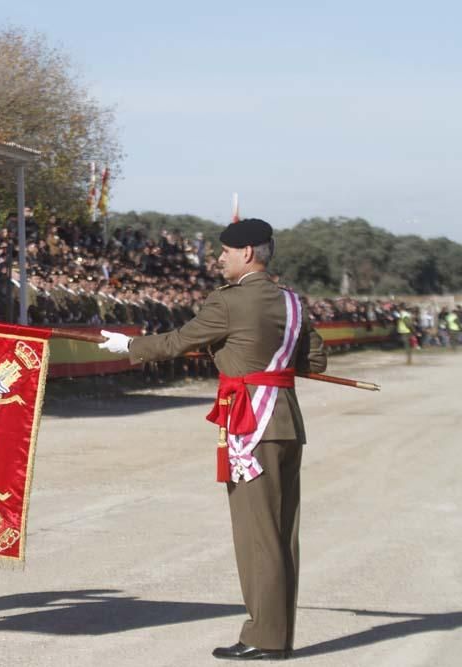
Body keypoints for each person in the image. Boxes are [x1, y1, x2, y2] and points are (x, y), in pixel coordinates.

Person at [99, 219, 327, 660]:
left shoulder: (230, 302)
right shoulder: (292, 302)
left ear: (247, 254)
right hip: (286, 422)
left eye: (225, 251)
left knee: (257, 535)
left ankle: (265, 638)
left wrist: (129, 347)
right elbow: (314, 357)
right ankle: (277, 633)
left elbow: (179, 341)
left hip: (252, 421)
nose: (219, 258)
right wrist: (246, 352)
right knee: (282, 532)